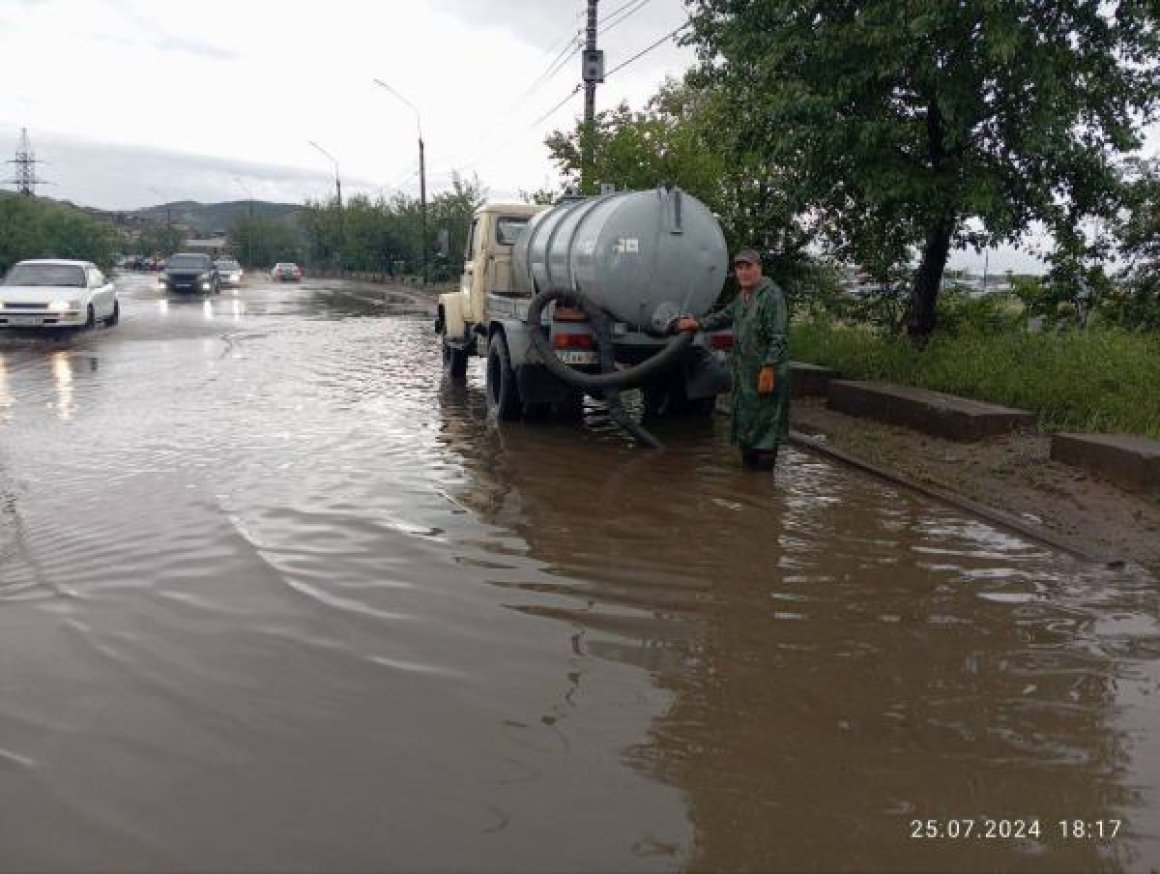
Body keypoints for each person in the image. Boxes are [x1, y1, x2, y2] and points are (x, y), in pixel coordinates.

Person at [671, 247, 789, 470]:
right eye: (739, 268)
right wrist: (697, 324)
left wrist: (769, 367)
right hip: (745, 373)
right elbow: (724, 316)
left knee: (765, 426)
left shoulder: (771, 296)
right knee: (746, 423)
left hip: (764, 372)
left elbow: (779, 336)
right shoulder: (742, 297)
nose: (744, 272)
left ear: (759, 268)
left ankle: (763, 483)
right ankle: (749, 482)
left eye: (749, 267)